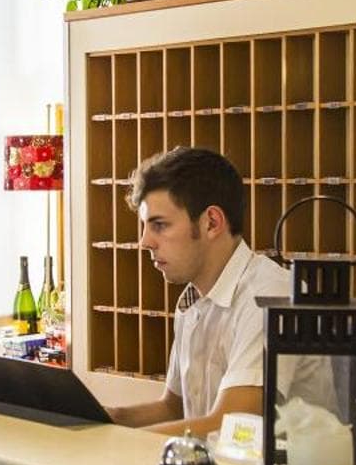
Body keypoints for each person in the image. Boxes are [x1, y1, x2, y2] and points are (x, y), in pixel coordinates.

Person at [106, 146, 291, 437]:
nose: (145, 241)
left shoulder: (268, 297)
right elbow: (174, 409)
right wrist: (106, 419)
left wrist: (112, 444)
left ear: (211, 222)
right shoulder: (192, 301)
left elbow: (230, 426)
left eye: (159, 225)